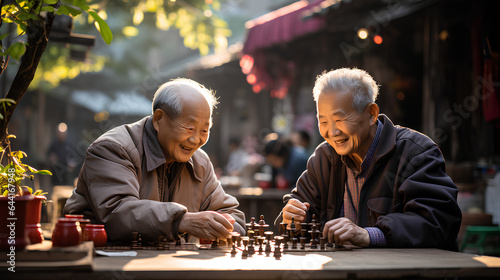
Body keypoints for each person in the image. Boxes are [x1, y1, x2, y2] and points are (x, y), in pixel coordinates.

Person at [280, 68, 461, 251]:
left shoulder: (416, 152)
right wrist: (292, 218)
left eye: (340, 119)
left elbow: (438, 222)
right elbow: (298, 211)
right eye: (323, 121)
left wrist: (368, 235)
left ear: (371, 114)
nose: (332, 132)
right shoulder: (324, 158)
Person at [64, 78, 245, 243]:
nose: (196, 140)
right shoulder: (113, 148)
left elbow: (232, 215)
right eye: (190, 128)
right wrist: (181, 221)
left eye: (204, 131)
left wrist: (224, 226)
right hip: (104, 265)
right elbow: (117, 213)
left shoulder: (199, 162)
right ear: (159, 119)